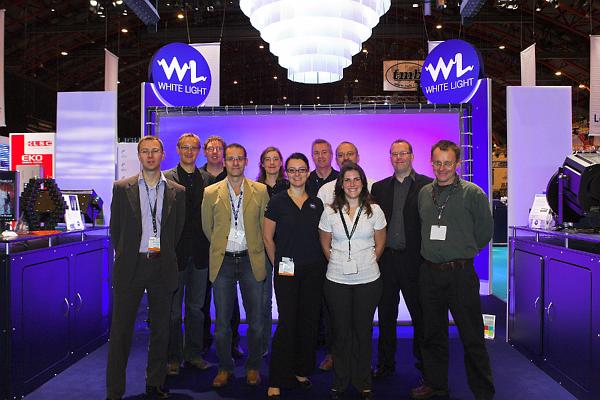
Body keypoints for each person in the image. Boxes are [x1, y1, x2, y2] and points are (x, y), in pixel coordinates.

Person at [410, 140, 494, 400]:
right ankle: (436, 385)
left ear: (458, 163)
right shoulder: (424, 193)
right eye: (437, 162)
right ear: (431, 163)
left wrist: (462, 251)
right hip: (429, 274)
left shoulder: (473, 193)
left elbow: (485, 231)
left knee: (472, 336)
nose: (442, 168)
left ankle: (483, 392)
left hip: (460, 275)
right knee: (432, 334)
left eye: (448, 163)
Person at [106, 136, 186, 400]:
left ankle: (155, 384)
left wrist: (162, 252)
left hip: (162, 266)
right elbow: (116, 230)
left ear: (163, 155)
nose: (150, 156)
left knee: (161, 330)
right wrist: (129, 254)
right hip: (131, 266)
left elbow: (177, 231)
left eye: (155, 151)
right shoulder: (122, 188)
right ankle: (114, 391)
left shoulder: (177, 191)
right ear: (139, 155)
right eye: (145, 151)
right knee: (121, 331)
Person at [201, 143, 270, 388]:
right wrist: (223, 245)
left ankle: (253, 367)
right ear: (225, 161)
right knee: (221, 324)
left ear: (246, 161)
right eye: (231, 158)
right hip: (224, 262)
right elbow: (208, 227)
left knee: (257, 322)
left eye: (240, 158)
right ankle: (225, 367)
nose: (235, 162)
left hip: (252, 260)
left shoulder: (260, 190)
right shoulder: (211, 192)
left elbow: (264, 226)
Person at [319, 162, 386, 400]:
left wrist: (367, 262)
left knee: (363, 332)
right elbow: (325, 244)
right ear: (341, 185)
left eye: (357, 179)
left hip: (369, 280)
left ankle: (363, 382)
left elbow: (380, 243)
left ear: (363, 183)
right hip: (336, 280)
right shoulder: (329, 212)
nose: (352, 184)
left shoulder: (375, 210)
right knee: (341, 333)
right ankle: (340, 381)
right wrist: (339, 262)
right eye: (347, 180)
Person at [264, 153, 325, 398]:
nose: (297, 174)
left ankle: (301, 370)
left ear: (308, 173)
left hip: (314, 271)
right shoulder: (277, 202)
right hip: (286, 272)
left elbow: (323, 237)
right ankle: (277, 377)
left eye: (301, 170)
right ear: (286, 173)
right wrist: (277, 263)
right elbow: (267, 237)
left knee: (308, 322)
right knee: (287, 323)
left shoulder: (317, 203)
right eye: (292, 170)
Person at [371, 140, 432, 379]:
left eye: (403, 153)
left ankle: (424, 363)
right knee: (386, 315)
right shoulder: (379, 188)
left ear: (412, 156)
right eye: (394, 154)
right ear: (390, 157)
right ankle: (385, 363)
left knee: (420, 315)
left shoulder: (427, 185)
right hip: (386, 261)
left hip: (415, 261)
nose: (399, 157)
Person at [316, 141, 374, 371]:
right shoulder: (325, 190)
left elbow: (378, 233)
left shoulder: (371, 186)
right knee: (334, 315)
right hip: (334, 263)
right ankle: (334, 354)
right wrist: (332, 259)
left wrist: (370, 259)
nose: (345, 158)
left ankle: (359, 360)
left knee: (361, 319)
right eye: (341, 155)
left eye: (350, 153)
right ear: (336, 159)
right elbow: (322, 231)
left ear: (358, 156)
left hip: (365, 267)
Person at [164, 133, 213, 375]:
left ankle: (193, 354)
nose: (189, 151)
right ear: (178, 149)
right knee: (173, 312)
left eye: (194, 147)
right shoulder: (166, 178)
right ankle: (173, 357)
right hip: (175, 255)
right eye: (185, 147)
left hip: (202, 254)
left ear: (199, 150)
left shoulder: (209, 179)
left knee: (196, 309)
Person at [200, 135, 244, 359]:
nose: (215, 152)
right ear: (205, 152)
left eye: (219, 148)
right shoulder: (198, 177)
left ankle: (233, 342)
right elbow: (204, 222)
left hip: (230, 251)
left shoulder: (235, 178)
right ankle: (203, 342)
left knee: (231, 300)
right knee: (203, 300)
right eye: (211, 148)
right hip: (203, 249)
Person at [256, 146, 290, 357]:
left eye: (275, 159)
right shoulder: (254, 187)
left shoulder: (290, 186)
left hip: (286, 251)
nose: (271, 163)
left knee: (287, 300)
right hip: (261, 251)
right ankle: (263, 345)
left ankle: (286, 343)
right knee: (264, 301)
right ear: (261, 163)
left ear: (281, 162)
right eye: (267, 159)